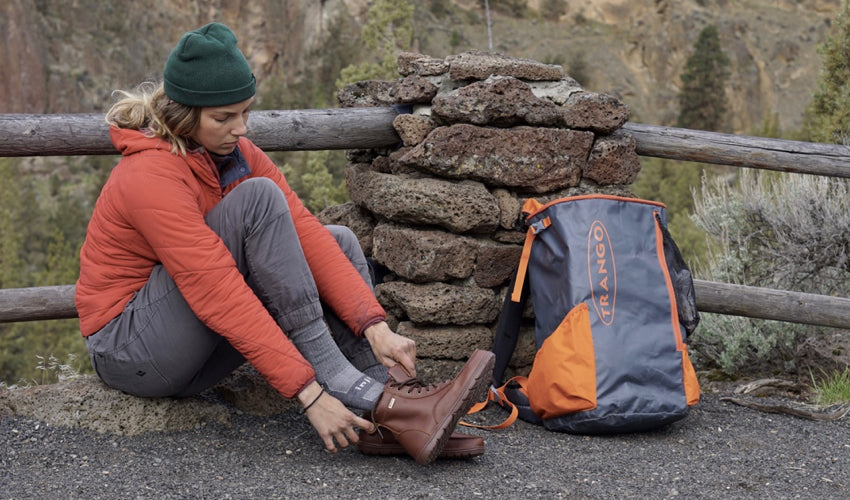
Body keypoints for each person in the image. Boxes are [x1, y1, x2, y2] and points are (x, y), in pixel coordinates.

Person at [74, 22, 493, 465]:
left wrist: (375, 325)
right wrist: (309, 393)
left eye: (245, 113)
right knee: (257, 199)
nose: (240, 129)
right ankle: (353, 389)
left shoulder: (233, 153)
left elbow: (305, 235)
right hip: (131, 350)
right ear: (183, 114)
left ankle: (393, 417)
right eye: (223, 118)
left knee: (338, 240)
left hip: (190, 345)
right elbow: (214, 288)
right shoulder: (149, 174)